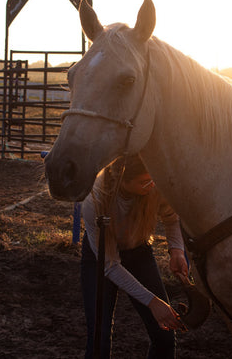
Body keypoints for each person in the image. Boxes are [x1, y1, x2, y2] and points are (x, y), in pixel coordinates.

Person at [80, 154, 188, 359]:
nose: (151, 184)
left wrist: (176, 250)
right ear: (123, 180)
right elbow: (110, 265)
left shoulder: (153, 185)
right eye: (143, 181)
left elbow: (172, 218)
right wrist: (153, 302)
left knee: (165, 336)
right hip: (100, 258)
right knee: (99, 340)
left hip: (139, 251)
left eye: (151, 178)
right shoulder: (96, 200)